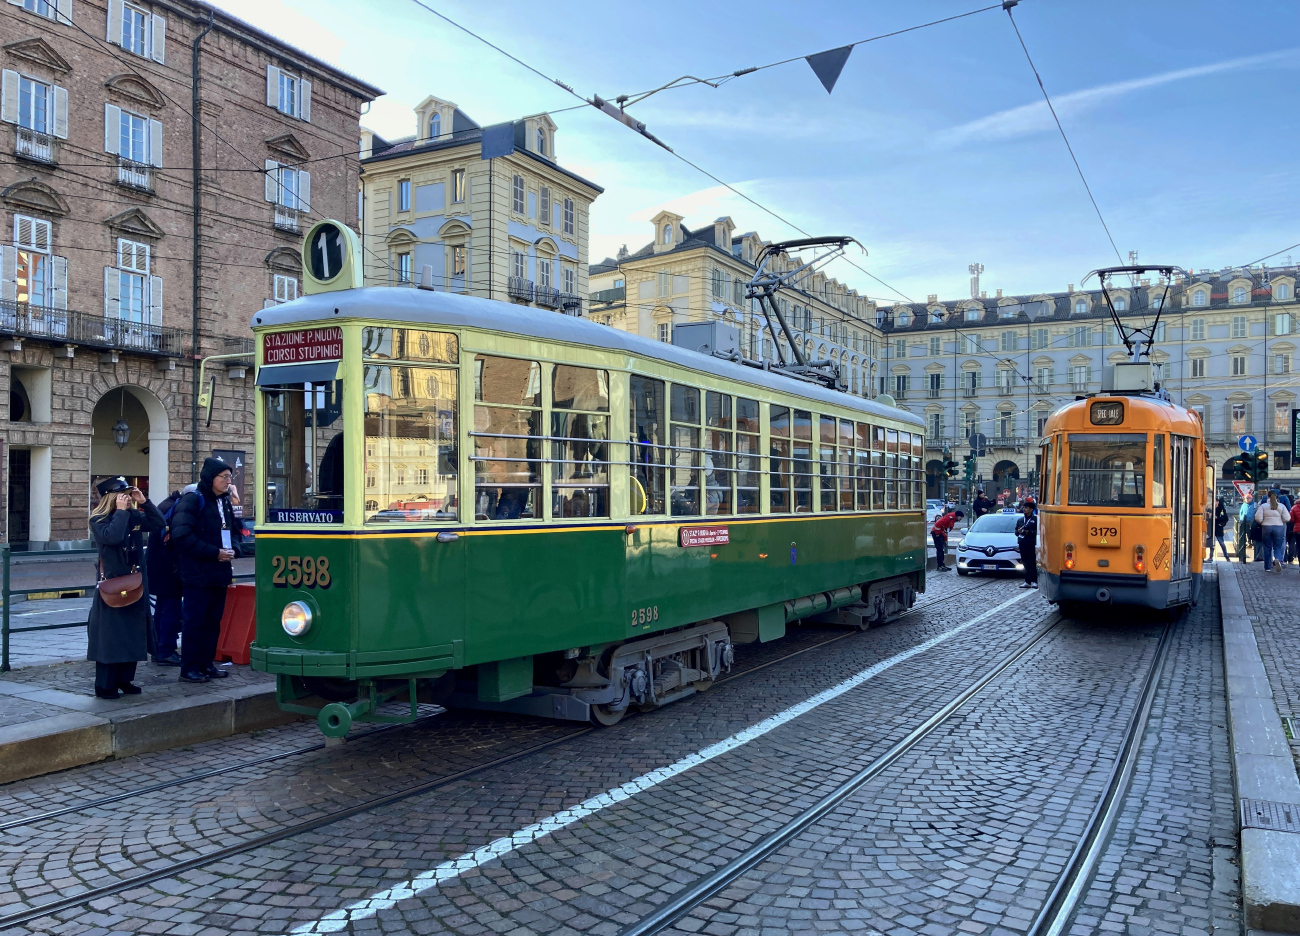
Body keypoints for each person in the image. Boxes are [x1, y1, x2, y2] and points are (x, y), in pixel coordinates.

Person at [87, 476, 165, 699]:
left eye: (128, 494)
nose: (126, 498)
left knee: (132, 634)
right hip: (112, 586)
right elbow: (112, 537)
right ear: (111, 497)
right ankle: (105, 685)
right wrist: (120, 512)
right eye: (122, 495)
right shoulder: (99, 519)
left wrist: (145, 502)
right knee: (111, 638)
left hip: (135, 582)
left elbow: (159, 524)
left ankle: (125, 679)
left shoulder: (132, 515)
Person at [170, 458, 242, 683]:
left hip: (219, 573)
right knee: (194, 622)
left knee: (213, 621)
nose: (228, 482)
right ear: (211, 478)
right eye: (224, 477)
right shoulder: (193, 500)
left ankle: (206, 663)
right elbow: (181, 535)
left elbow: (234, 530)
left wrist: (234, 549)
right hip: (197, 574)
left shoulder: (224, 502)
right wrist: (214, 552)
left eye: (230, 477)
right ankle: (189, 667)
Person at [147, 487, 186, 666]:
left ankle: (159, 649)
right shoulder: (177, 508)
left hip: (158, 566)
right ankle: (166, 650)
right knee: (170, 608)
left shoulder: (166, 505)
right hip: (169, 568)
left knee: (162, 609)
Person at [1257, 489, 1290, 573]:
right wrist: (1281, 521)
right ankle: (1278, 559)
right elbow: (1287, 518)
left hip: (1266, 527)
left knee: (1267, 547)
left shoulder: (1263, 506)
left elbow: (1258, 517)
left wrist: (1262, 522)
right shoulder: (1281, 506)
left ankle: (1267, 567)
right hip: (1279, 527)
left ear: (1267, 496)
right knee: (1278, 546)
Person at [1015, 499, 1039, 589]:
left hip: (1031, 543)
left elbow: (1037, 531)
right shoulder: (1020, 520)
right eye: (1024, 507)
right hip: (1022, 544)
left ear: (1031, 509)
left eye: (1026, 508)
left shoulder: (1035, 519)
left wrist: (1029, 531)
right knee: (1025, 563)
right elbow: (1016, 532)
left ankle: (1034, 581)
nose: (1024, 509)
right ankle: (1027, 581)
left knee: (1032, 563)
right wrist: (1018, 531)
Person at [931, 508, 964, 572]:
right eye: (960, 518)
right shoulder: (949, 518)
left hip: (941, 533)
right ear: (958, 516)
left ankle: (942, 565)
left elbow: (946, 530)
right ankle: (940, 566)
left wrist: (945, 539)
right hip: (937, 533)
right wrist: (937, 534)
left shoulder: (952, 519)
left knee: (941, 550)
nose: (960, 520)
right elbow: (938, 524)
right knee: (940, 550)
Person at [1212, 496, 1231, 562]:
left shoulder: (1221, 509)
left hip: (1218, 528)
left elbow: (1225, 518)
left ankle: (1226, 556)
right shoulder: (1209, 508)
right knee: (1211, 543)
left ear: (1217, 502)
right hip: (1210, 528)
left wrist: (1217, 518)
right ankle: (1210, 557)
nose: (1214, 503)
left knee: (1222, 543)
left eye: (1215, 502)